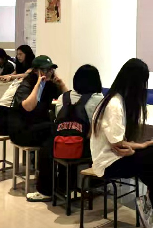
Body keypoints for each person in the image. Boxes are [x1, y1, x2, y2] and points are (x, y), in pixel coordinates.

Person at [91, 58, 153, 228]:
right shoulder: (115, 105)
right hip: (109, 163)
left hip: (112, 158)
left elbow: (120, 143)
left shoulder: (115, 100)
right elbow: (119, 145)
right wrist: (134, 149)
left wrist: (141, 146)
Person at [29, 64, 103, 203]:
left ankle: (46, 191)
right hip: (83, 148)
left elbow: (59, 117)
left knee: (47, 148)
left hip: (60, 145)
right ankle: (92, 185)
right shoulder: (99, 100)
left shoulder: (63, 97)